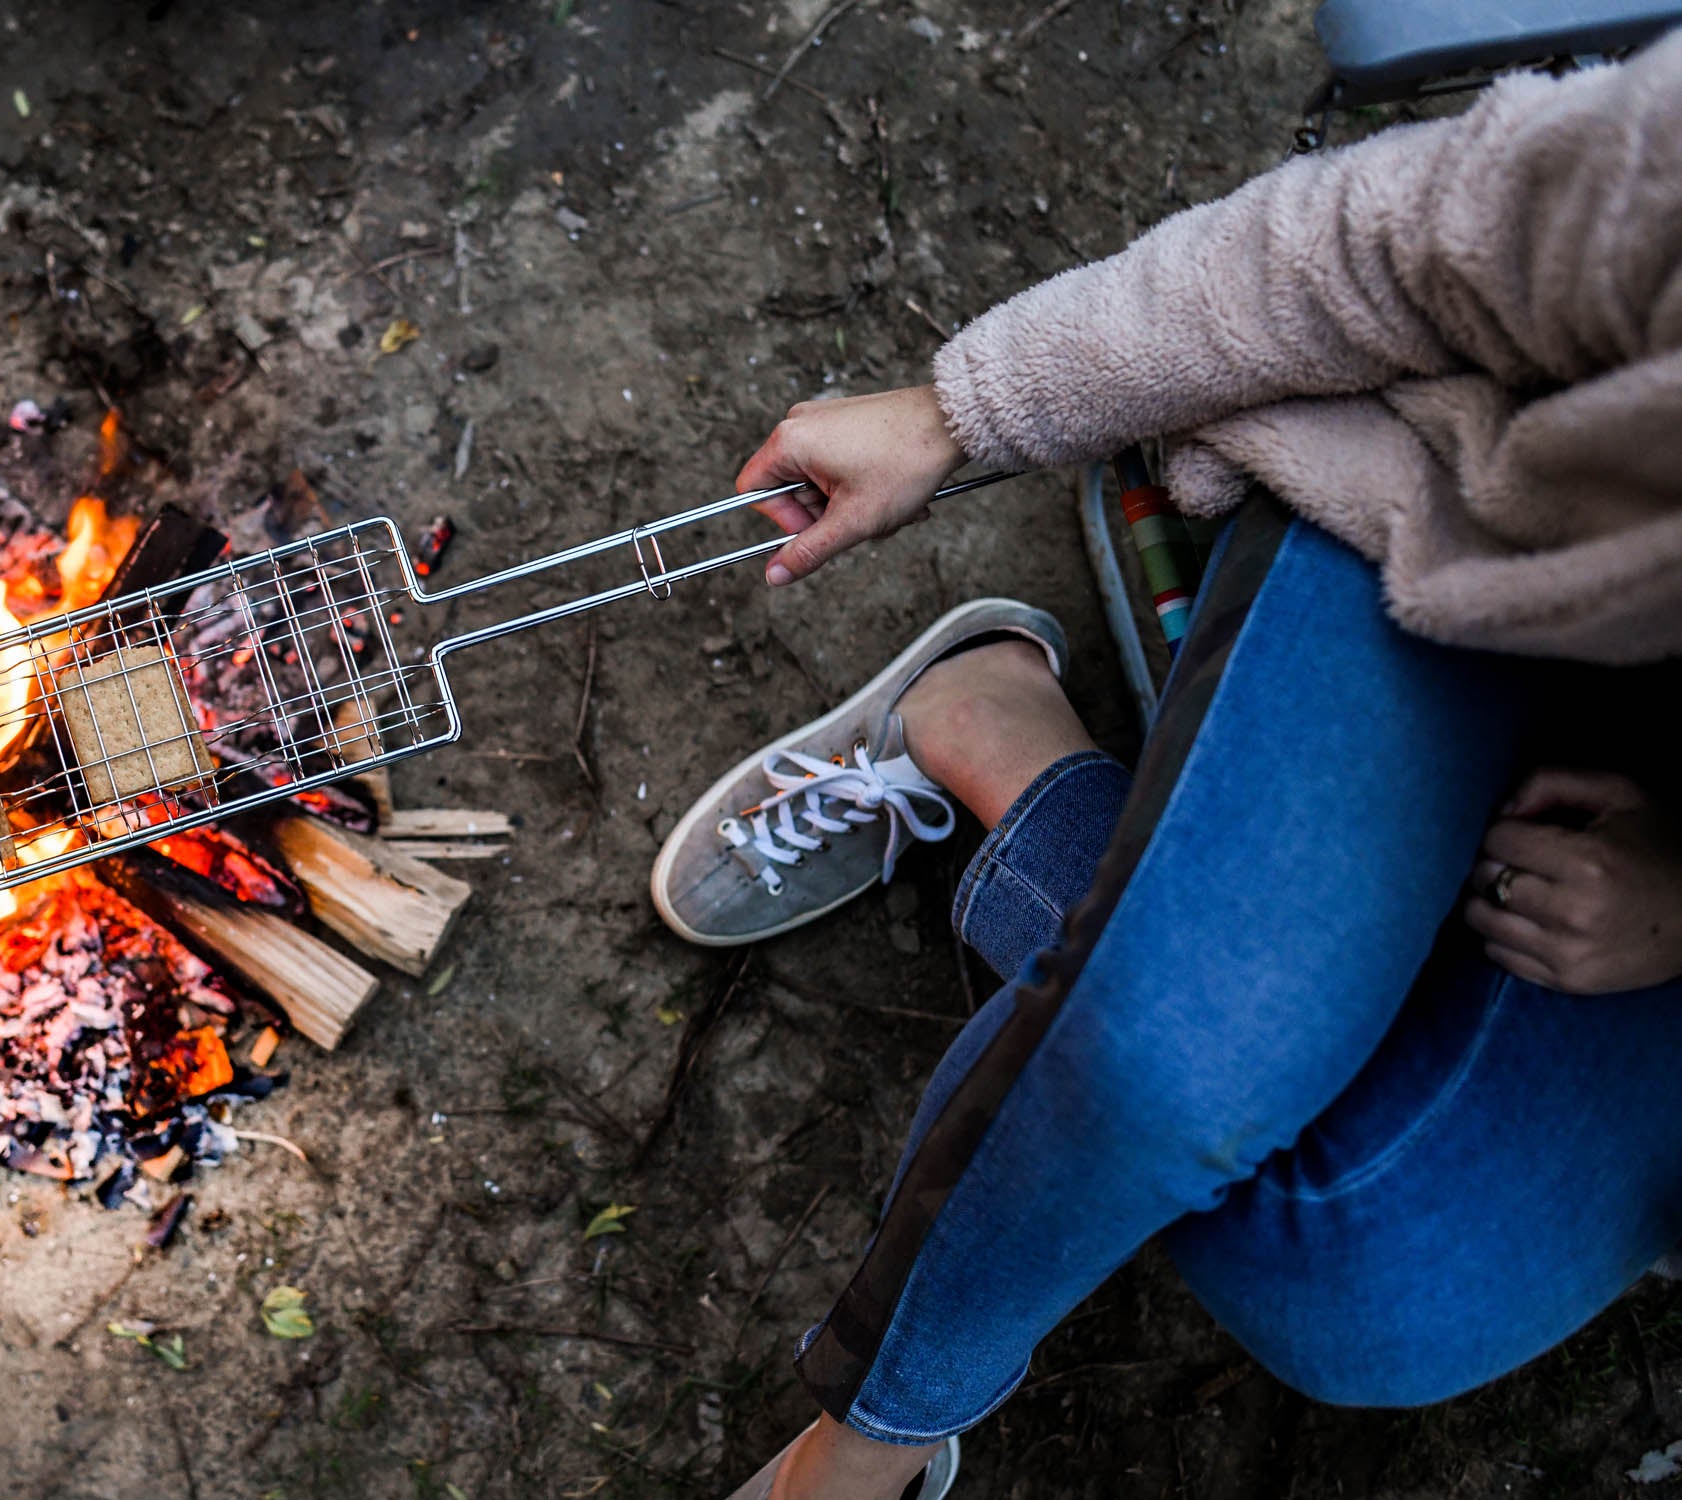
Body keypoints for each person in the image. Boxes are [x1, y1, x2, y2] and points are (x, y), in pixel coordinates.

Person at [646, 32, 1682, 1500]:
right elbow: (1384, 240)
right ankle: (867, 1443)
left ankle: (1015, 755)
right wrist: (963, 412)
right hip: (1471, 552)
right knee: (1168, 1057)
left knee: (1362, 1303)